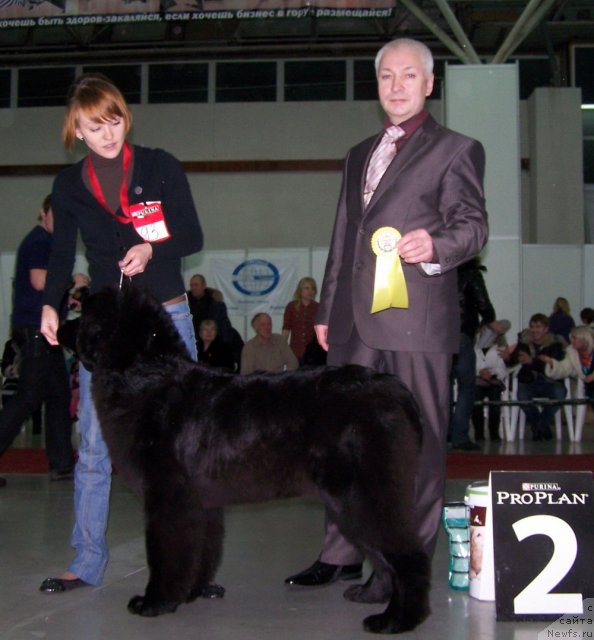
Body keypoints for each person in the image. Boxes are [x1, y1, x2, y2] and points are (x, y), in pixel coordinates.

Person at [285, 37, 488, 589]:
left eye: (407, 76)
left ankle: (403, 568)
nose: (396, 87)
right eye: (385, 77)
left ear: (428, 84)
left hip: (418, 321)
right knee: (344, 440)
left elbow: (474, 225)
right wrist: (327, 309)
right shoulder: (357, 155)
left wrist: (437, 244)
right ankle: (341, 553)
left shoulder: (457, 149)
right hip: (353, 322)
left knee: (414, 446)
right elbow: (343, 238)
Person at [38, 73, 203, 593]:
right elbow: (63, 253)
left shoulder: (158, 166)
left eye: (113, 120)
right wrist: (49, 305)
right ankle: (86, 560)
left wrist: (154, 248)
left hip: (167, 317)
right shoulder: (68, 187)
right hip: (109, 331)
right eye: (94, 125)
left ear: (124, 117)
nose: (107, 133)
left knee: (186, 441)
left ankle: (193, 569)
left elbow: (193, 233)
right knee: (95, 445)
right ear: (77, 131)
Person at [0, 195, 75, 489]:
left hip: (44, 331)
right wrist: (71, 281)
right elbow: (40, 281)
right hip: (35, 331)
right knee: (28, 399)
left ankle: (62, 465)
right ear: (43, 213)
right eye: (56, 214)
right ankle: (61, 464)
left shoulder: (46, 242)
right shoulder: (39, 241)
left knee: (58, 396)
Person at [449, 258, 496, 451]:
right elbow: (484, 305)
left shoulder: (441, 270)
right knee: (466, 387)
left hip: (439, 335)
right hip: (462, 334)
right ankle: (460, 436)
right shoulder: (471, 274)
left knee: (442, 387)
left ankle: (443, 432)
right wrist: (487, 318)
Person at [508, 313, 566, 441]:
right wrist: (508, 356)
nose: (535, 330)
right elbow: (511, 362)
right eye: (532, 327)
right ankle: (542, 426)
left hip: (550, 382)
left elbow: (554, 367)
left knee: (560, 393)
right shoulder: (523, 343)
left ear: (546, 329)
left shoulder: (556, 345)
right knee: (522, 397)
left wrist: (531, 361)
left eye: (538, 327)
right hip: (529, 382)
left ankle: (538, 426)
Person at [471, 319, 511, 442]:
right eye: (484, 329)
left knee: (495, 399)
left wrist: (493, 374)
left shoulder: (501, 347)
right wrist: (480, 372)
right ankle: (479, 432)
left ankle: (494, 432)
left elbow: (503, 369)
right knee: (476, 400)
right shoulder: (472, 346)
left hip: (494, 380)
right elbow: (469, 365)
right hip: (477, 379)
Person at [541, 325, 594, 408]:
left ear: (584, 338)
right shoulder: (571, 352)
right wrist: (552, 363)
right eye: (571, 338)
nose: (571, 340)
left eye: (574, 338)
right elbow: (565, 368)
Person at [187, 274, 234, 345]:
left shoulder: (217, 305)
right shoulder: (185, 306)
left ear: (204, 285)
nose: (193, 288)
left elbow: (224, 327)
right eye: (191, 285)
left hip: (215, 345)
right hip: (193, 346)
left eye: (196, 285)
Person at [282, 277, 320, 362]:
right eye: (307, 288)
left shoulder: (318, 307)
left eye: (312, 289)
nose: (310, 291)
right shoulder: (291, 306)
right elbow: (286, 329)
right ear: (300, 291)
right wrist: (281, 349)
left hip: (313, 353)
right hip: (295, 351)